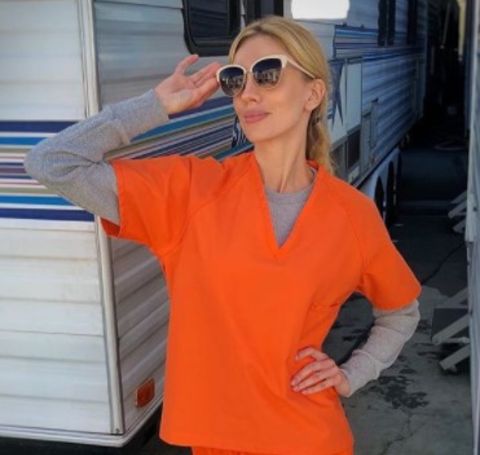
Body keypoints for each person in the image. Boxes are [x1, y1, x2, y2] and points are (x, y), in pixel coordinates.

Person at [25, 15, 421, 455]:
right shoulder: (190, 192)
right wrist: (155, 105)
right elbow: (53, 162)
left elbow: (401, 313)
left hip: (311, 437)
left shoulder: (352, 215)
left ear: (313, 93)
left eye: (267, 73)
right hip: (218, 441)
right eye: (236, 79)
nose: (247, 92)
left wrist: (351, 374)